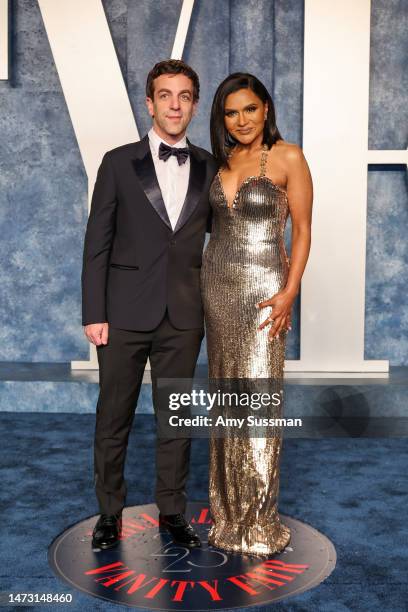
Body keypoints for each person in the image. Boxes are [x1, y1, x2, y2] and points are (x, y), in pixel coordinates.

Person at [82, 59, 217, 550]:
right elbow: (97, 242)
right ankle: (109, 513)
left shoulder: (211, 166)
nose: (175, 104)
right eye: (165, 95)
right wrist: (94, 312)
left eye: (184, 96)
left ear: (195, 104)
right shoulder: (119, 162)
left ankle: (173, 512)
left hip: (184, 316)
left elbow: (220, 244)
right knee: (113, 415)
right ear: (150, 102)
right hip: (121, 314)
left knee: (174, 420)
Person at [201, 73, 313, 555]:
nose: (241, 120)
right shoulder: (221, 162)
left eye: (250, 108)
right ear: (222, 119)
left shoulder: (289, 156)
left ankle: (258, 519)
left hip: (266, 289)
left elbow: (303, 231)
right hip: (217, 286)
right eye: (231, 112)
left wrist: (290, 292)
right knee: (226, 393)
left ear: (266, 109)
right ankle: (227, 514)